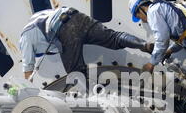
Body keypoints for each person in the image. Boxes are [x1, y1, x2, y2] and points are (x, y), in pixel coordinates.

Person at [19, 6, 153, 80]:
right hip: (76, 16)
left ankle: (95, 100)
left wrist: (27, 88)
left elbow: (27, 71)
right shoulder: (37, 18)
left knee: (75, 74)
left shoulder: (24, 38)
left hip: (64, 28)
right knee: (113, 38)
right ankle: (144, 45)